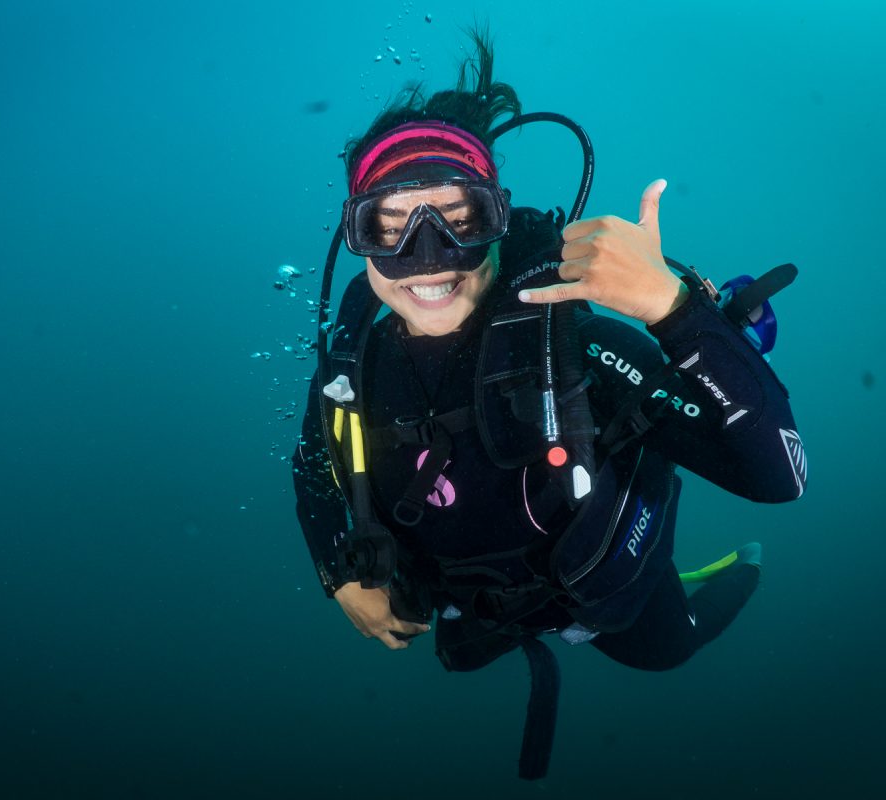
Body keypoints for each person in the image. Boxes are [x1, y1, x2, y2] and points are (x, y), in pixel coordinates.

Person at [291, 31, 806, 780]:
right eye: (392, 226)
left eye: (460, 220)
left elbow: (779, 476)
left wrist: (673, 309)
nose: (428, 257)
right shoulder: (353, 368)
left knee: (665, 651)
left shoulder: (575, 350)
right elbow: (311, 465)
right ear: (355, 236)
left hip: (608, 588)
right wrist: (335, 574)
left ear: (499, 216)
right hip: (479, 603)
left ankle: (725, 575)